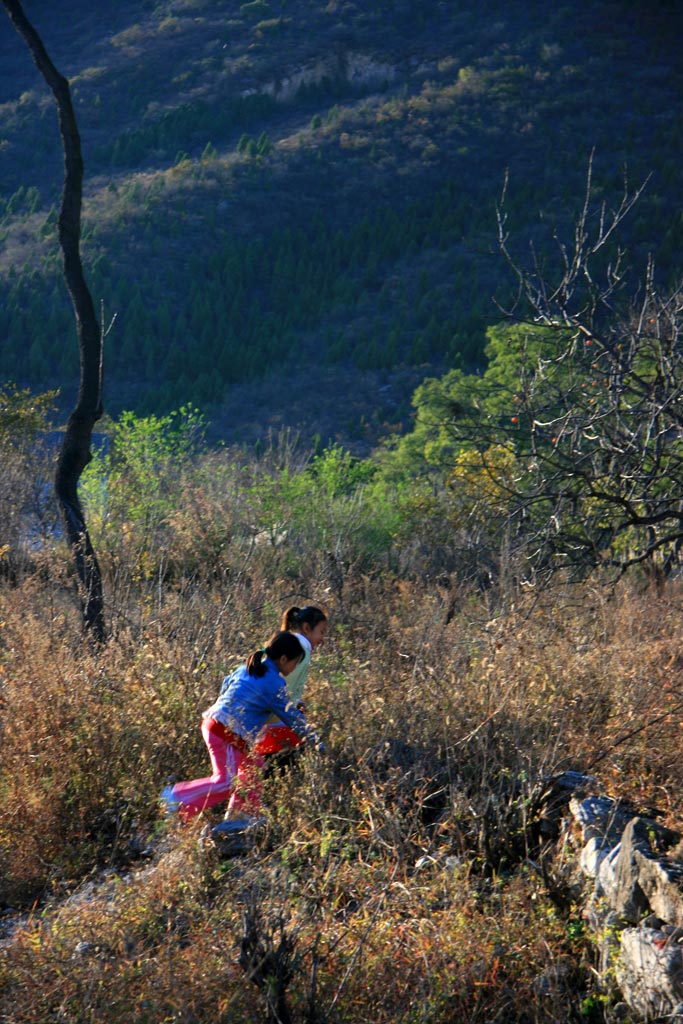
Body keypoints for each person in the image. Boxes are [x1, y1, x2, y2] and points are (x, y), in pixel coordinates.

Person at [161, 631, 323, 822]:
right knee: (226, 781)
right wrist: (313, 739)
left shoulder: (248, 668)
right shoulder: (274, 681)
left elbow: (226, 684)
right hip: (225, 731)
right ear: (284, 658)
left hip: (219, 724)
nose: (295, 667)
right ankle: (175, 797)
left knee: (254, 766)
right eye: (295, 662)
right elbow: (290, 714)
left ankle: (241, 816)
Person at [253, 605, 328, 759]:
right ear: (307, 628)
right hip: (272, 719)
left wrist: (296, 701)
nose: (323, 640)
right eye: (321, 632)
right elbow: (280, 683)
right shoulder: (302, 651)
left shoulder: (289, 642)